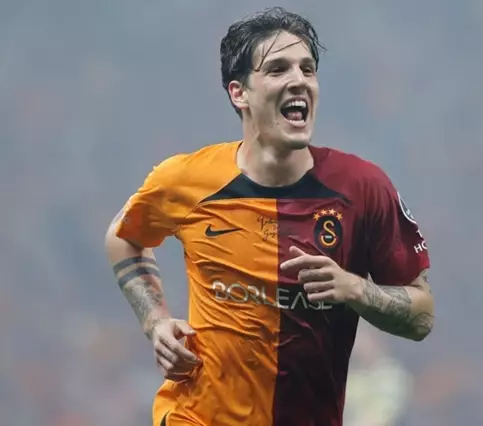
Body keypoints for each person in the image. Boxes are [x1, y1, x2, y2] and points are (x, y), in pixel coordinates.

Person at [104, 6, 434, 426]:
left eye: (308, 69)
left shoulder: (363, 189)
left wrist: (354, 288)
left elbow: (422, 316)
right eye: (278, 69)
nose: (299, 80)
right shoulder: (185, 180)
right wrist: (156, 323)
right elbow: (124, 236)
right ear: (239, 93)